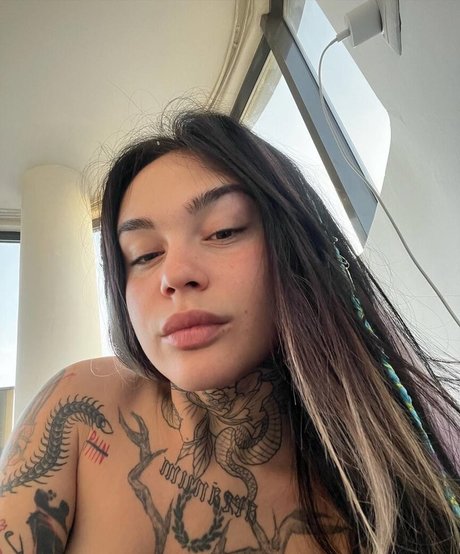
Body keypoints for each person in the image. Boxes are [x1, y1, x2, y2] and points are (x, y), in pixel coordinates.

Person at [0, 110, 459, 554]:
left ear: (297, 250)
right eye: (144, 255)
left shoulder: (380, 512)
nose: (174, 275)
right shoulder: (82, 405)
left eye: (223, 231)